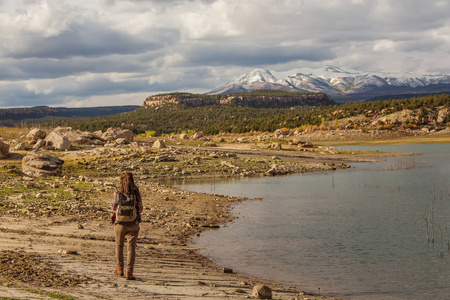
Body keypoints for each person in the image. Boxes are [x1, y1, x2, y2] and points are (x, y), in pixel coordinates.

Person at [111, 171, 143, 280]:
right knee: (131, 248)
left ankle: (120, 269)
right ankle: (129, 272)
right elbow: (141, 208)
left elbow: (114, 208)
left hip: (119, 223)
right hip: (133, 223)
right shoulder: (136, 192)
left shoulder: (117, 191)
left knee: (119, 246)